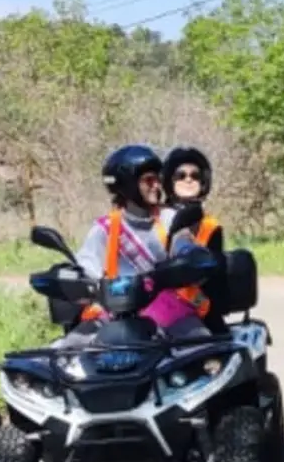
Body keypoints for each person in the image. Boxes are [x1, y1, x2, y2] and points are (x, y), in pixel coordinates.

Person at [61, 144, 212, 345]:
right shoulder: (105, 228)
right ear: (128, 185)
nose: (157, 186)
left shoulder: (170, 219)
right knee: (69, 347)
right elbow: (86, 266)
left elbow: (182, 243)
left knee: (201, 344)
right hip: (114, 311)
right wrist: (70, 277)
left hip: (167, 306)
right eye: (149, 180)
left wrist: (190, 254)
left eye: (157, 179)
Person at [161, 146, 229, 333]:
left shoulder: (210, 225)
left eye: (195, 175)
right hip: (151, 305)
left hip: (197, 308)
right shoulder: (154, 218)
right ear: (169, 181)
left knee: (219, 349)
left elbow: (215, 279)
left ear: (203, 182)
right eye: (180, 175)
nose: (188, 179)